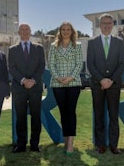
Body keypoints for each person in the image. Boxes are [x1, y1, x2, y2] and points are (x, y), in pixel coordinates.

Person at [87, 13, 124, 154]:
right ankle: (101, 145)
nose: (107, 26)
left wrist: (111, 80)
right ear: (100, 25)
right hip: (97, 85)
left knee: (114, 116)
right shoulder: (92, 42)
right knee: (99, 115)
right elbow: (90, 64)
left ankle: (114, 145)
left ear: (113, 25)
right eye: (104, 23)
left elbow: (122, 63)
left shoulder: (119, 42)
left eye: (109, 23)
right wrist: (101, 80)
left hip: (114, 85)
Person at [9, 23, 45, 153]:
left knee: (36, 117)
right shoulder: (12, 49)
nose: (24, 31)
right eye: (22, 29)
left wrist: (33, 80)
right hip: (19, 88)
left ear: (30, 32)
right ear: (19, 32)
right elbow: (12, 68)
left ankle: (35, 145)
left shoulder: (39, 48)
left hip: (35, 88)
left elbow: (42, 66)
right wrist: (23, 80)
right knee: (21, 117)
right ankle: (21, 145)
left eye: (27, 29)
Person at [47, 22, 83, 155]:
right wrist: (58, 78)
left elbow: (79, 64)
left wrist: (70, 78)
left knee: (71, 112)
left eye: (68, 29)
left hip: (73, 83)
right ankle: (66, 139)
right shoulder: (53, 46)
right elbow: (51, 64)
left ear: (72, 31)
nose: (66, 31)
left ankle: (70, 143)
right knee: (63, 112)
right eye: (63, 29)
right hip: (58, 84)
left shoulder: (77, 46)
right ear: (60, 31)